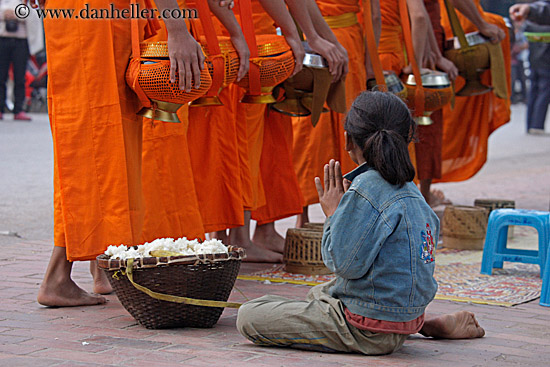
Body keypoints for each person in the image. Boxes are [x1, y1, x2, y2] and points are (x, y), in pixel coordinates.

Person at [237, 91, 485, 354]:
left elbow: (343, 265)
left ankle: (408, 327)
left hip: (365, 330)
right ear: (406, 139)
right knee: (322, 292)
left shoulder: (366, 187)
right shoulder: (413, 192)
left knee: (250, 315)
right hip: (403, 316)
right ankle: (423, 325)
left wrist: (333, 214)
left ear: (347, 141)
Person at [37, 0, 219, 307]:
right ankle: (58, 275)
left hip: (79, 18)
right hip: (98, 20)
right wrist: (176, 29)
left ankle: (98, 264)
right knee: (97, 145)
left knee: (95, 143)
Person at [436, 0, 510, 183]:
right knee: (440, 118)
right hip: (451, 32)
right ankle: (423, 186)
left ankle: (424, 186)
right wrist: (482, 24)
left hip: (436, 28)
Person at [0, 0, 32, 121]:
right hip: (2, 38)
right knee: (1, 76)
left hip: (21, 41)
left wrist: (17, 14)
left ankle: (19, 109)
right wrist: (5, 14)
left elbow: (34, 15)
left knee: (20, 76)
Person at [525, 22, 550, 135]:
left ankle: (530, 124)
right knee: (544, 94)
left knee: (533, 93)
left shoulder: (531, 26)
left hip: (533, 62)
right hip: (546, 64)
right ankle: (537, 125)